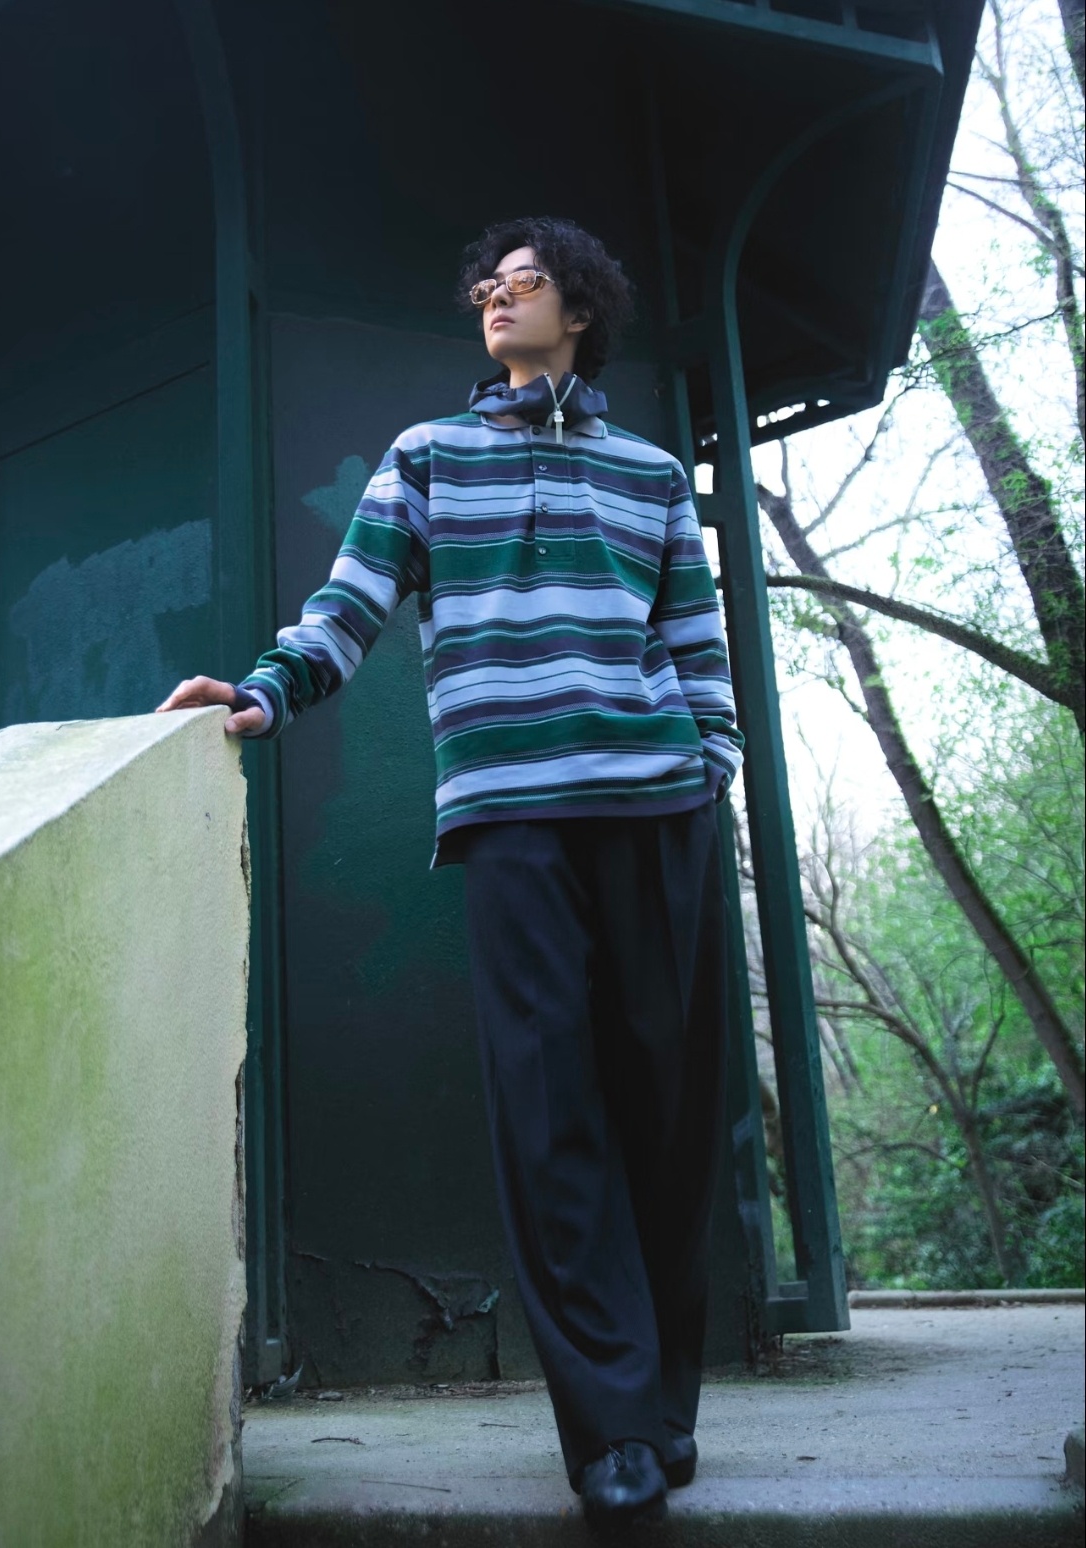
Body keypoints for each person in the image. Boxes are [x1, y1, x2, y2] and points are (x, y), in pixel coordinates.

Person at [157, 216, 743, 1527]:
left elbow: (696, 639)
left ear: (580, 310)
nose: (495, 293)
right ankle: (611, 1431)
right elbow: (349, 604)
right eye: (486, 281)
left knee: (665, 1112)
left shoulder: (651, 474)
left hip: (656, 809)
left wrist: (711, 761)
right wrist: (265, 690)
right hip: (512, 817)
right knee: (550, 1113)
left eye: (523, 280)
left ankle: (667, 1406)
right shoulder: (428, 455)